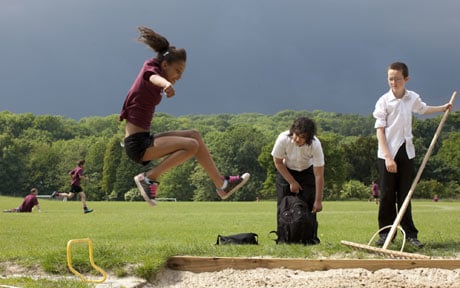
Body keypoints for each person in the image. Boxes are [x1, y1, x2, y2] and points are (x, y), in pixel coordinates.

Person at [119, 26, 250, 206]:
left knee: (194, 135)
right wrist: (165, 84)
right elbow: (152, 77)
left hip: (144, 138)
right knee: (191, 146)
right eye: (178, 71)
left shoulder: (157, 67)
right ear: (165, 65)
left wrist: (166, 83)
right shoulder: (150, 69)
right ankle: (149, 178)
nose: (179, 76)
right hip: (137, 145)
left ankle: (222, 184)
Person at [372, 62, 452, 248]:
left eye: (397, 79)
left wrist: (442, 108)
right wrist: (388, 158)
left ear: (406, 79)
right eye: (391, 79)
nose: (394, 82)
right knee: (387, 196)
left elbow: (423, 109)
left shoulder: (412, 98)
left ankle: (411, 235)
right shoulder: (383, 101)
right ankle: (385, 235)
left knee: (405, 195)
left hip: (407, 152)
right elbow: (380, 132)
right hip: (387, 154)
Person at [271, 116, 324, 244]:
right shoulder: (283, 138)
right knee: (283, 205)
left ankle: (308, 239)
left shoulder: (315, 145)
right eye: (296, 135)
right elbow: (277, 162)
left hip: (307, 172)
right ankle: (284, 238)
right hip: (286, 169)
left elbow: (319, 174)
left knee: (309, 205)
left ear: (309, 138)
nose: (297, 139)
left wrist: (318, 201)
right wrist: (292, 182)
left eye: (302, 137)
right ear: (292, 132)